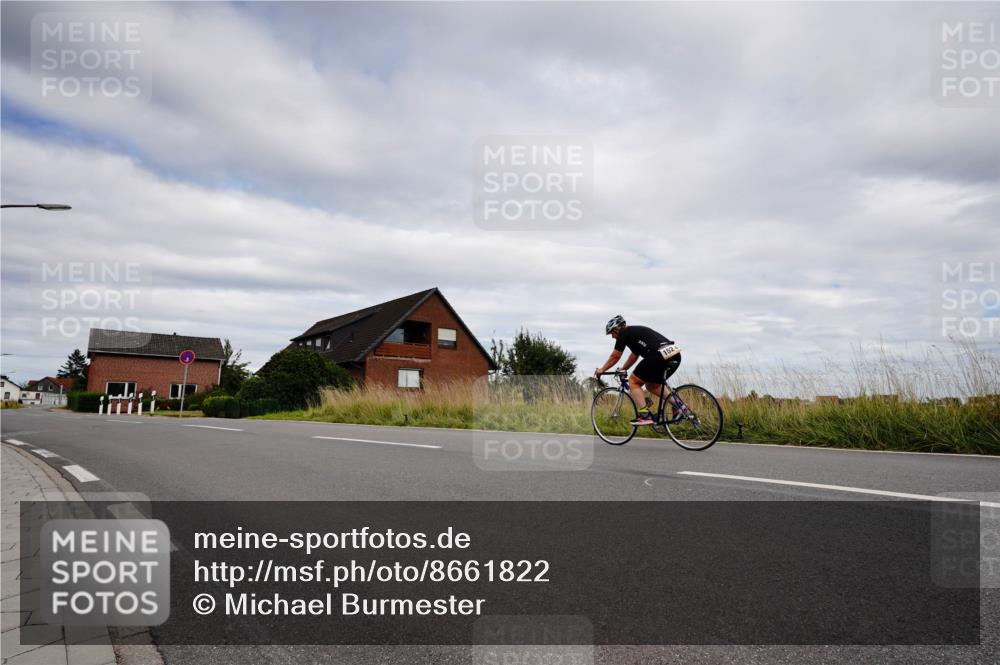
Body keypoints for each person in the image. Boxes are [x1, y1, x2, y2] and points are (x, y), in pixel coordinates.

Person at [594, 315, 681, 426]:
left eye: (612, 333)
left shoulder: (623, 333)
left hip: (657, 355)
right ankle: (679, 406)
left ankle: (645, 415)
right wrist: (623, 369)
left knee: (633, 382)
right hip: (675, 354)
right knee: (652, 385)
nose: (612, 337)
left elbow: (615, 356)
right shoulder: (635, 332)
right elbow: (634, 356)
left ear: (616, 329)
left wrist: (602, 369)